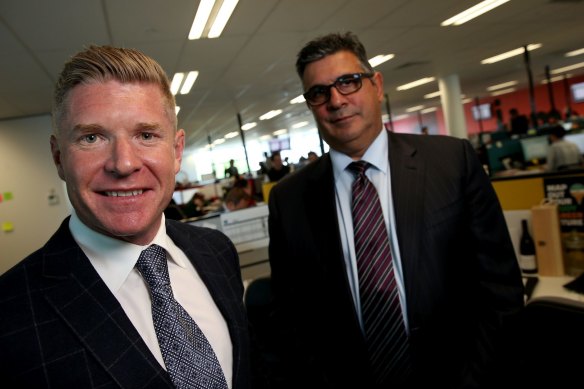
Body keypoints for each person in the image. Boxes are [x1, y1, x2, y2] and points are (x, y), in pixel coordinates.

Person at [266, 32, 524, 388]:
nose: (336, 100)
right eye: (319, 92)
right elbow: (291, 318)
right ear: (311, 104)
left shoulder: (451, 163)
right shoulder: (289, 199)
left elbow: (501, 291)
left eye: (348, 82)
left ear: (376, 85)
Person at [0, 45, 251, 388]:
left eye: (145, 135)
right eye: (92, 137)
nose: (124, 163)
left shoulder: (217, 251)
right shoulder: (9, 314)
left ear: (176, 151)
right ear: (59, 158)